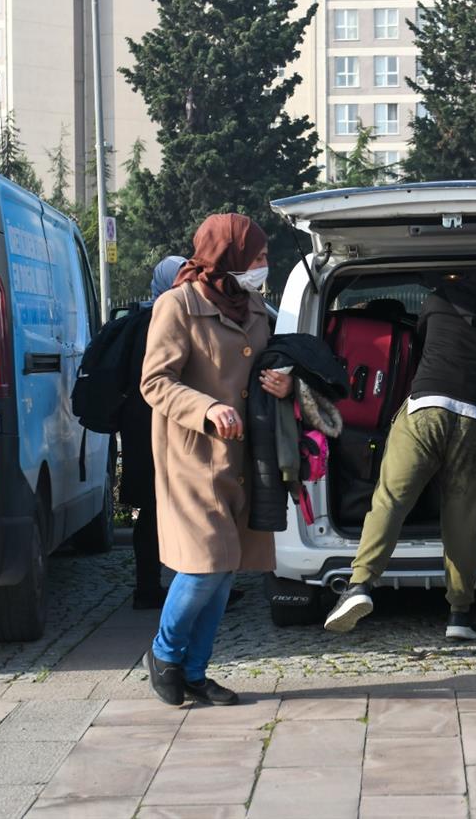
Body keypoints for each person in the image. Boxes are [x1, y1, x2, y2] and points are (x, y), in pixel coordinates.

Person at [323, 240, 476, 640]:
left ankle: (360, 585)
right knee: (461, 519)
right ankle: (459, 615)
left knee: (390, 499)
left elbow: (422, 341)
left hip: (425, 406)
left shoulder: (439, 298)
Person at [141, 214, 291, 707]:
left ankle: (195, 672)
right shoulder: (177, 305)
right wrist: (206, 408)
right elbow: (155, 382)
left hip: (246, 456)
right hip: (192, 456)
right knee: (205, 564)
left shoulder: (255, 308)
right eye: (257, 257)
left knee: (227, 567)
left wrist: (284, 384)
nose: (263, 265)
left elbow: (268, 366)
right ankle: (163, 654)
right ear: (229, 256)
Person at [123, 256, 187, 609]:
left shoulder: (140, 319)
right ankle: (158, 587)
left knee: (154, 508)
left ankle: (155, 586)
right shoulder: (161, 320)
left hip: (141, 427)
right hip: (154, 428)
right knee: (158, 508)